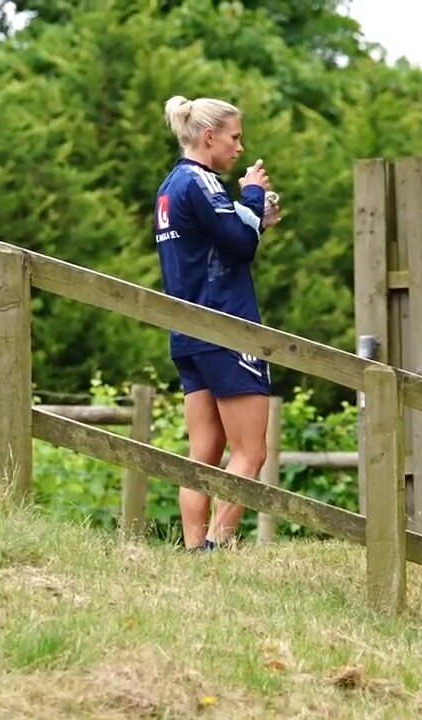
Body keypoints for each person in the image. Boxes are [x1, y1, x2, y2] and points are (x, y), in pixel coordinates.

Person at [153, 94, 281, 551]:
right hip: (225, 328)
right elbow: (239, 244)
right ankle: (217, 546)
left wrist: (254, 220)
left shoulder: (169, 186)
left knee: (202, 453)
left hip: (187, 333)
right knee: (252, 451)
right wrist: (252, 195)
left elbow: (221, 242)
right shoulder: (202, 183)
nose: (239, 147)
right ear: (210, 137)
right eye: (235, 137)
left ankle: (193, 550)